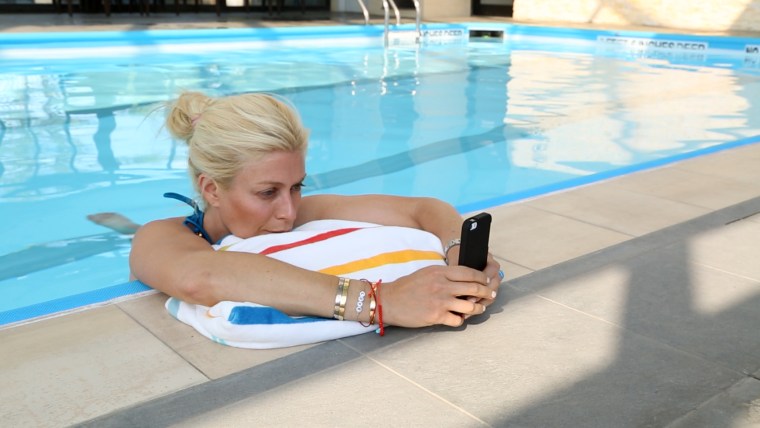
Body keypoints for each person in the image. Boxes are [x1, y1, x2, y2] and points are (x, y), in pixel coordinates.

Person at [129, 91, 502, 332]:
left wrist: (459, 253)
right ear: (211, 189)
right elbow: (200, 276)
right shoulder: (161, 236)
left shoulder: (302, 211)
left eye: (296, 186)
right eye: (267, 192)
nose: (288, 212)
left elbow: (424, 208)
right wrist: (379, 301)